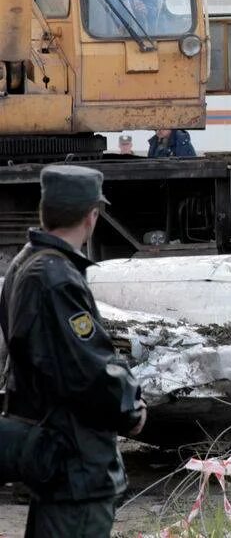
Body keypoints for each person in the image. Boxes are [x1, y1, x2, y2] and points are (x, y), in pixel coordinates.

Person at [0, 165, 146, 537]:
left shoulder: (24, 266)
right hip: (75, 467)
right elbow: (90, 371)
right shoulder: (56, 278)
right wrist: (131, 408)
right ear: (91, 216)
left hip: (52, 457)